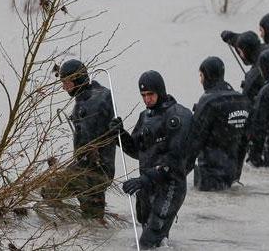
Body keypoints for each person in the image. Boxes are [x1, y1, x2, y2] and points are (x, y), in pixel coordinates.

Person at [108, 70, 192, 249]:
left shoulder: (178, 116)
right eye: (143, 95)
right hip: (147, 187)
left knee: (148, 241)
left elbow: (175, 159)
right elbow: (136, 150)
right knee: (154, 237)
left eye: (150, 94)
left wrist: (144, 179)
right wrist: (119, 135)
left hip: (170, 186)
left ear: (160, 91)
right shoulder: (145, 116)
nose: (147, 99)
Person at [41, 59, 116, 219]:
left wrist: (79, 117)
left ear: (78, 80)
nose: (64, 87)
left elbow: (90, 140)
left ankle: (67, 222)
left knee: (49, 191)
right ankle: (89, 217)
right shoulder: (98, 93)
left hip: (91, 170)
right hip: (98, 168)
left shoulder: (89, 105)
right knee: (93, 218)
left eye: (67, 83)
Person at [187, 56, 252, 191]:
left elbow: (194, 141)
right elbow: (246, 139)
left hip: (209, 174)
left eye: (201, 76)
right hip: (233, 171)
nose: (200, 81)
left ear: (207, 76)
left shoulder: (208, 101)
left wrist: (180, 172)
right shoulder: (242, 100)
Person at [221, 30, 264, 101]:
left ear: (246, 52)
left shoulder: (253, 76)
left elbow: (245, 101)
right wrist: (231, 37)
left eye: (240, 52)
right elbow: (249, 42)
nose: (240, 55)